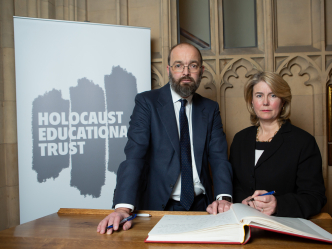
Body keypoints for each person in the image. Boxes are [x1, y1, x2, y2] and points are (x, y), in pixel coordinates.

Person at [97, 43, 233, 234]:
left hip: (204, 208)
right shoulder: (147, 103)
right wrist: (122, 208)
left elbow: (219, 158)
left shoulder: (210, 109)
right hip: (159, 207)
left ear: (201, 70)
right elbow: (134, 156)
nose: (186, 72)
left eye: (193, 65)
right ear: (169, 70)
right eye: (179, 65)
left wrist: (224, 198)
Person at [229, 71, 326, 219]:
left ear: (283, 101)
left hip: (283, 226)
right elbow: (234, 185)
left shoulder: (303, 142)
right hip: (243, 221)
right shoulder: (240, 139)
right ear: (251, 101)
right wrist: (242, 201)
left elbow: (315, 197)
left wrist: (278, 204)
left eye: (273, 95)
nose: (265, 102)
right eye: (259, 95)